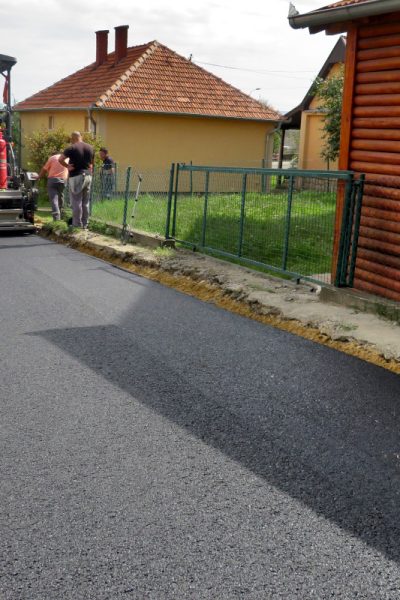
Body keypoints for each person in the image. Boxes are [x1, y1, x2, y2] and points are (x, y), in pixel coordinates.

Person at [59, 131, 94, 229]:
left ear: (72, 138)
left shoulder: (71, 148)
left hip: (76, 176)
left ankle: (77, 225)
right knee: (85, 202)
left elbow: (60, 159)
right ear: (81, 137)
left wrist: (67, 166)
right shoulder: (90, 147)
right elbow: (92, 164)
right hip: (88, 176)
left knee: (76, 201)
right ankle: (85, 224)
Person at [37, 152, 68, 221]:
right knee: (61, 197)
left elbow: (44, 169)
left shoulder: (52, 158)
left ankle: (56, 219)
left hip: (53, 181)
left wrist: (39, 177)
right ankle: (62, 215)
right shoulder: (67, 159)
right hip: (63, 180)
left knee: (54, 199)